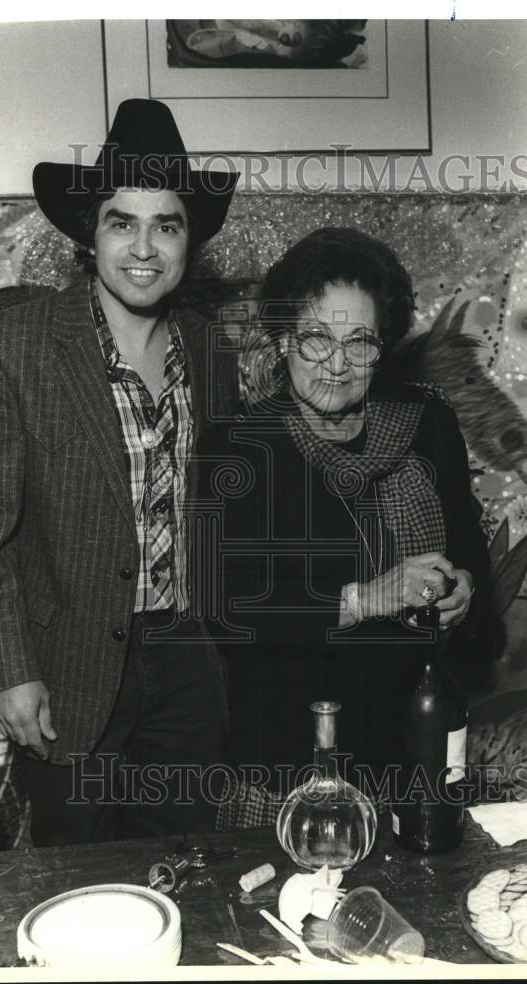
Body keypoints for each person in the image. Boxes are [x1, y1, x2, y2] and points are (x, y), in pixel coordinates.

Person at [0, 99, 240, 845]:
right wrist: (11, 670)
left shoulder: (210, 352)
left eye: (166, 224)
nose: (143, 247)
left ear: (189, 241)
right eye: (123, 221)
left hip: (185, 667)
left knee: (187, 867)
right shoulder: (11, 348)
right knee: (79, 879)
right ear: (91, 233)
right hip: (69, 671)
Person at [193, 227, 489, 818]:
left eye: (359, 342)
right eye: (315, 339)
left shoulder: (425, 423)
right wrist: (367, 597)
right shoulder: (238, 448)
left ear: (382, 346)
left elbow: (469, 545)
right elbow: (228, 606)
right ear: (282, 341)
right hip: (286, 762)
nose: (337, 364)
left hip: (411, 749)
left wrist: (465, 588)